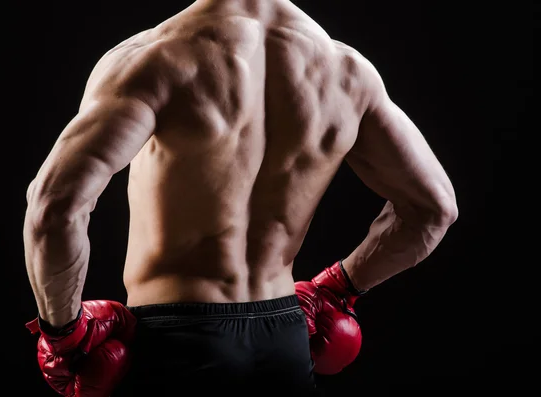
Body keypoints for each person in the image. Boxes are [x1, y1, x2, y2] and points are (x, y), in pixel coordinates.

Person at [23, 0, 458, 395]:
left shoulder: (154, 59)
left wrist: (63, 334)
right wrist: (336, 289)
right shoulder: (345, 71)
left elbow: (54, 207)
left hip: (176, 341)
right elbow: (433, 208)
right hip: (284, 340)